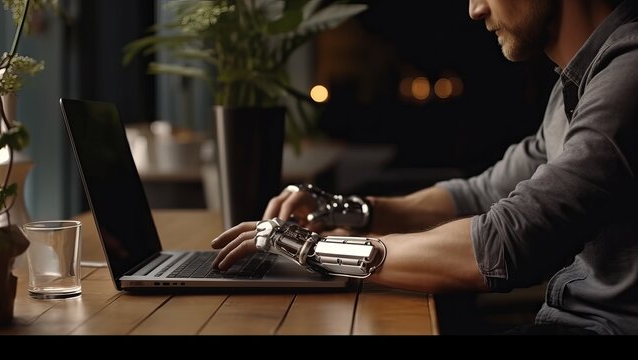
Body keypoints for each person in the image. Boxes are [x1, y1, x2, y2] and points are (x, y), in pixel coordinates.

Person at [211, 0, 638, 335]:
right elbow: (480, 195)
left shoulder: (630, 74)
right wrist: (344, 209)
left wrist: (308, 249)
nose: (475, 9)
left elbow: (507, 241)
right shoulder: (577, 86)